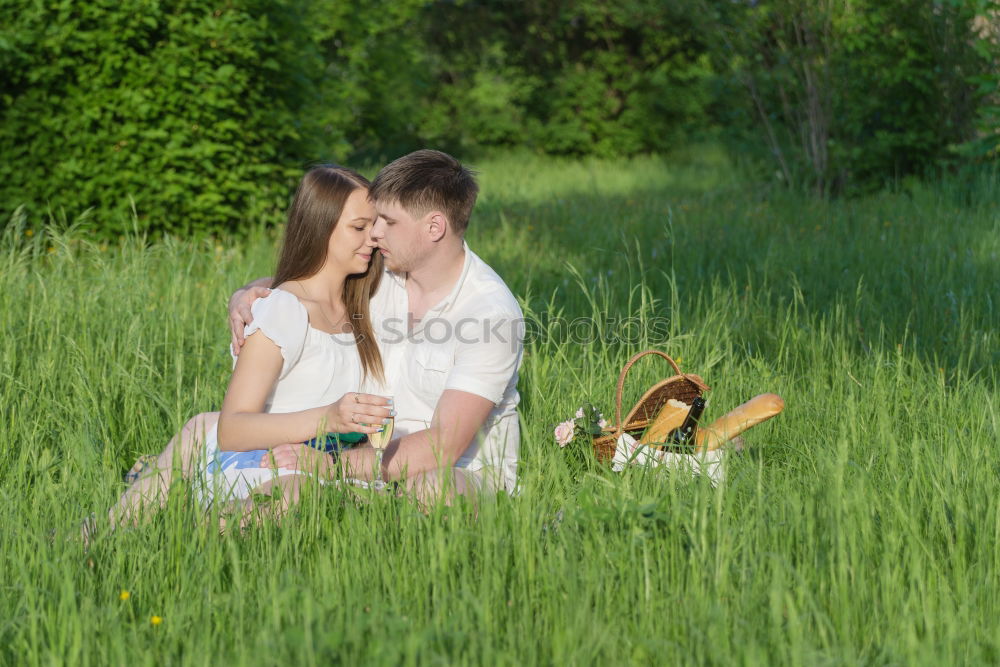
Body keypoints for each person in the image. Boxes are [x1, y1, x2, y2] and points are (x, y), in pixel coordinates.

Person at [105, 165, 393, 531]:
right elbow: (233, 429)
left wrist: (243, 292)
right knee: (297, 491)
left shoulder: (367, 300)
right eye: (359, 227)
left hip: (337, 466)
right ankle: (183, 539)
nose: (373, 237)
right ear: (321, 227)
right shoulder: (284, 310)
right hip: (266, 464)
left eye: (376, 225)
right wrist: (328, 418)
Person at [229, 149, 524, 500]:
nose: (375, 233)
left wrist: (334, 465)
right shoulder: (381, 273)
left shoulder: (490, 315)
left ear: (434, 227)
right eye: (370, 222)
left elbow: (443, 446)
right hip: (358, 460)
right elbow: (309, 281)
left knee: (432, 490)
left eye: (388, 221)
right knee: (201, 429)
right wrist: (248, 294)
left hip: (456, 473)